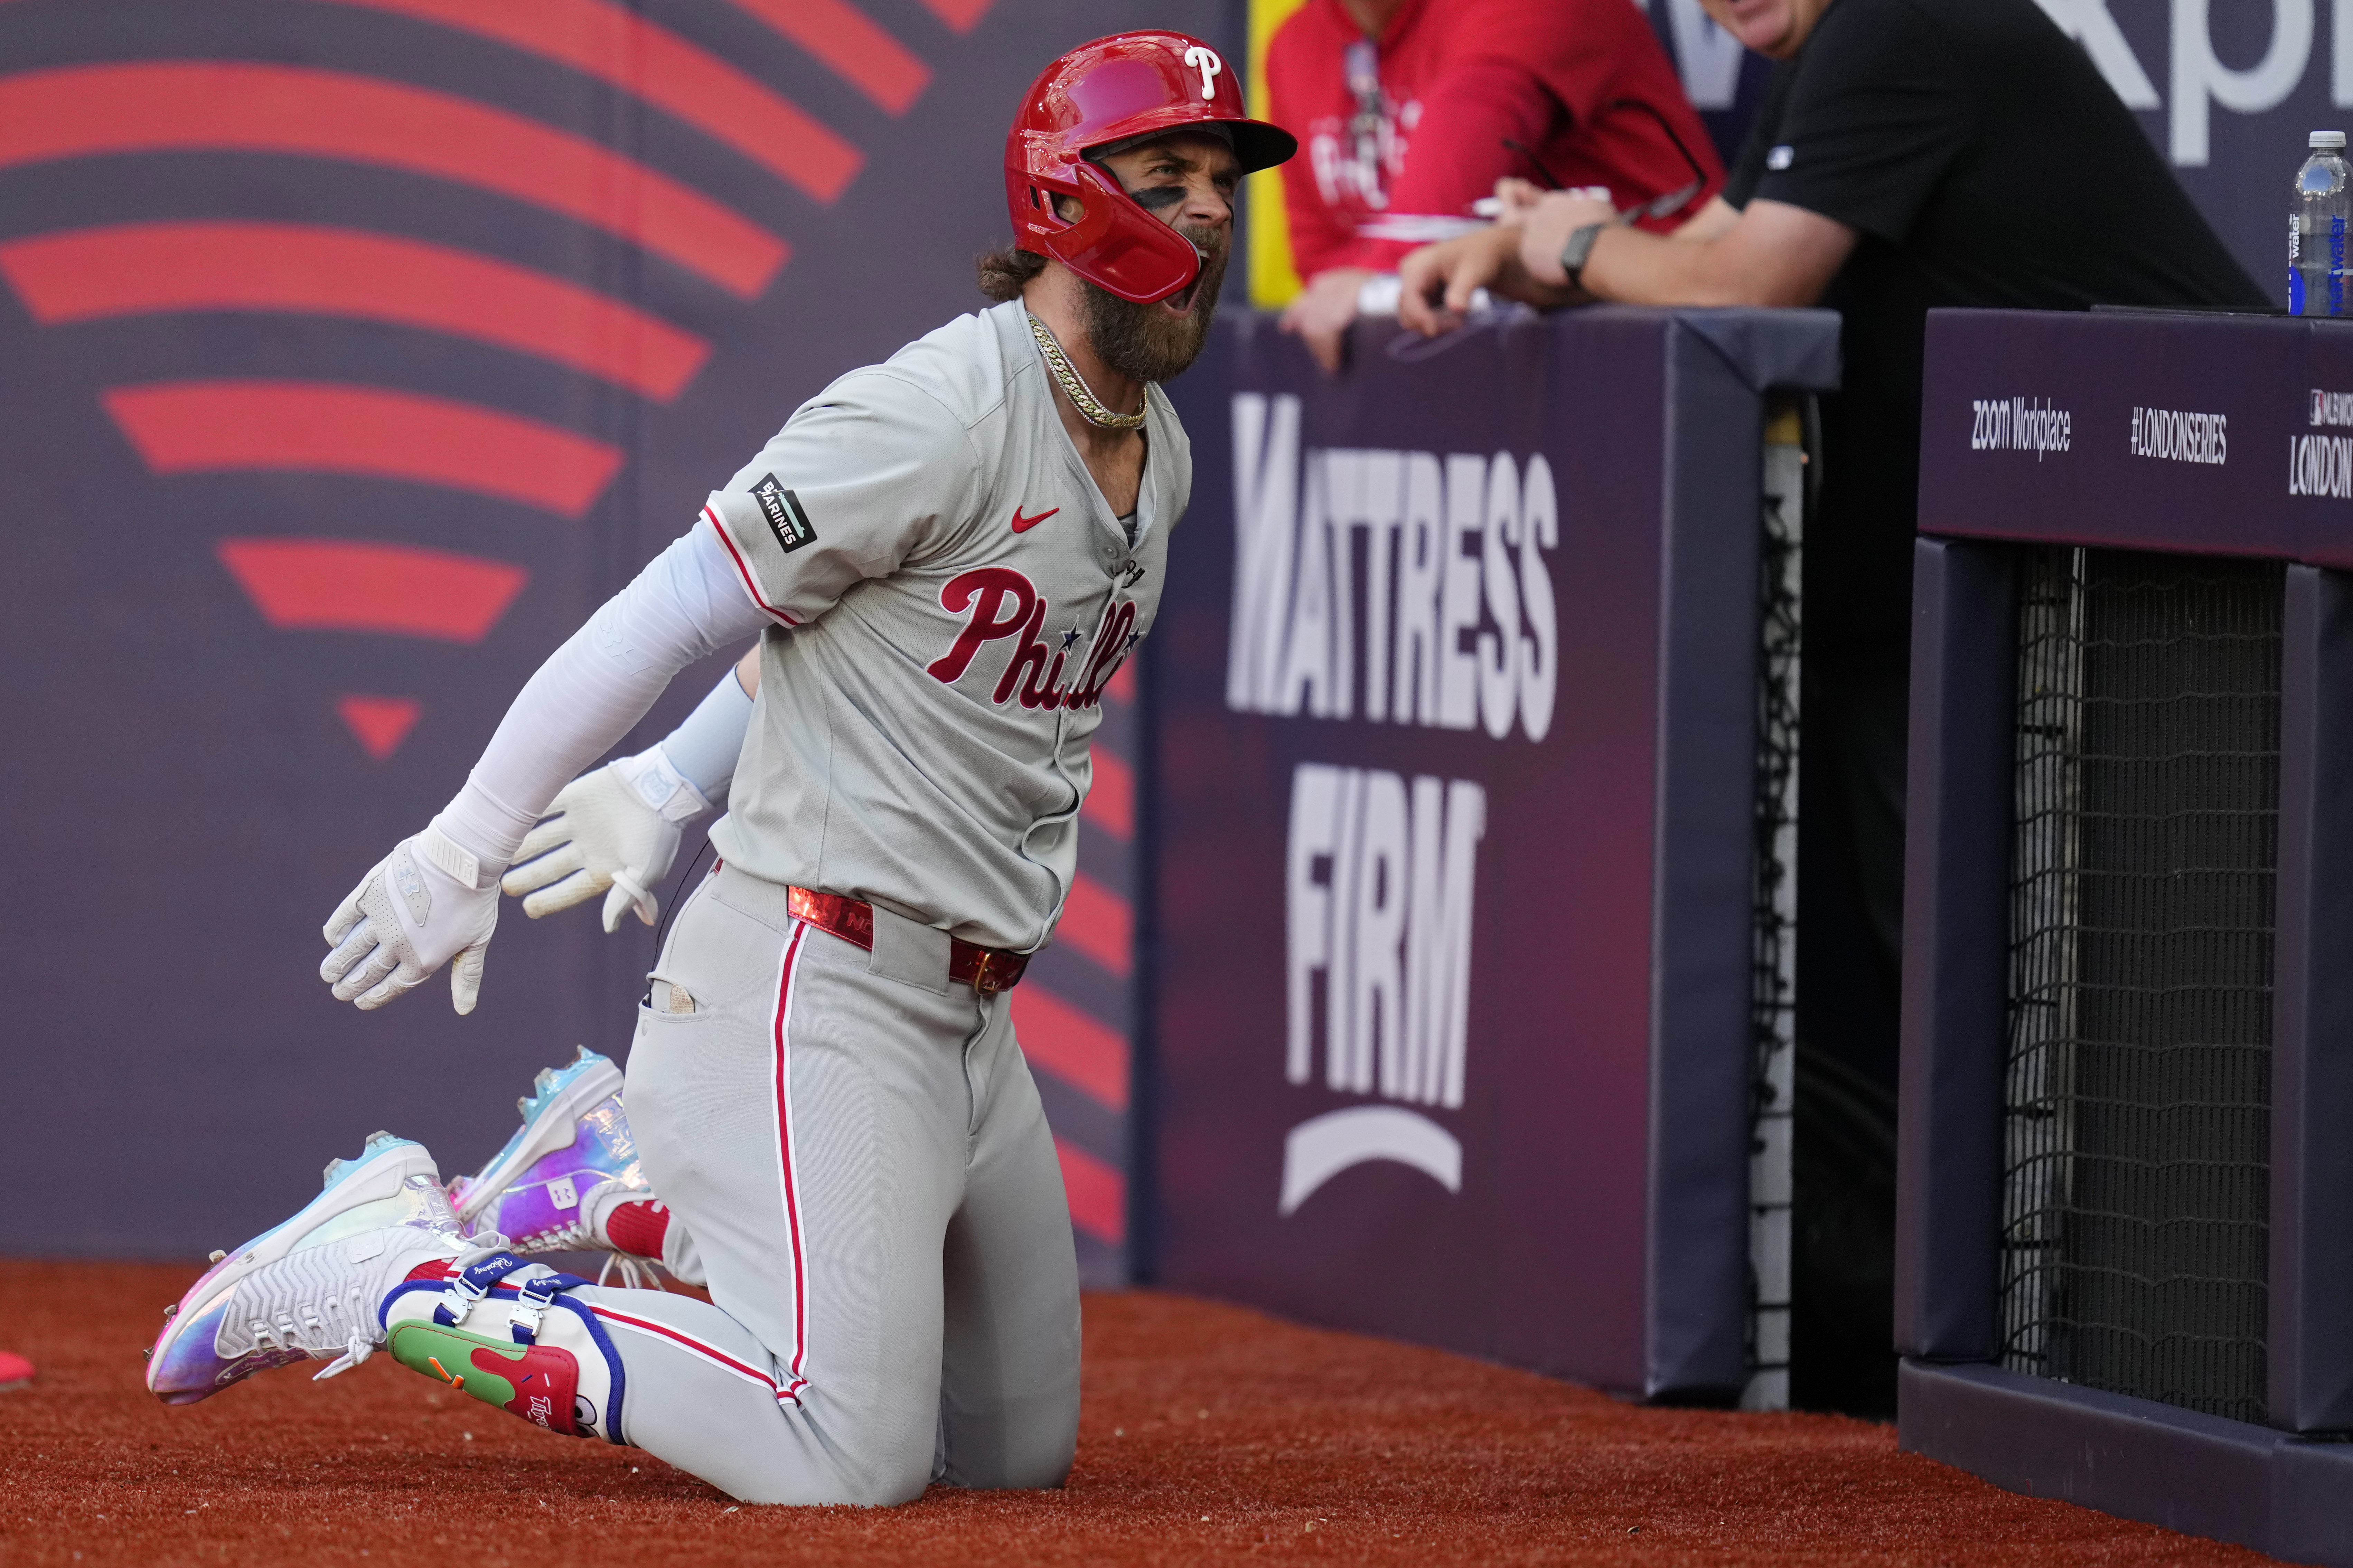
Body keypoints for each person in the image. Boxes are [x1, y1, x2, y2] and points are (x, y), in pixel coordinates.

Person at [143, 31, 1294, 1506]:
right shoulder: (938, 410)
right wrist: (464, 843)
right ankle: (394, 1268)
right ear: (1071, 198)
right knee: (841, 1448)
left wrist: (673, 784)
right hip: (820, 975)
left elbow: (863, 644)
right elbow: (680, 605)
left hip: (971, 1012)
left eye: (1223, 179)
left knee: (1010, 1458)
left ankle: (626, 1181)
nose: (1210, 205)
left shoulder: (1161, 449)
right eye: (1171, 172)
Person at [1396, 0, 2263, 1412]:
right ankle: (2014, 1360)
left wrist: (1554, 240)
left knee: (2109, 1006)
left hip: (2168, 606)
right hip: (1954, 606)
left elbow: (1747, 280)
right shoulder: (1824, 66)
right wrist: (1555, 250)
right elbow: (1693, 266)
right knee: (1967, 991)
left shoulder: (1900, 24)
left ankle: (2149, 1372)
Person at [1268, 0, 1720, 370]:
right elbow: (1326, 266)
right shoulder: (1296, 44)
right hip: (1514, 350)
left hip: (1679, 325)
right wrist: (1362, 281)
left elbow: (1432, 216)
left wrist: (1369, 279)